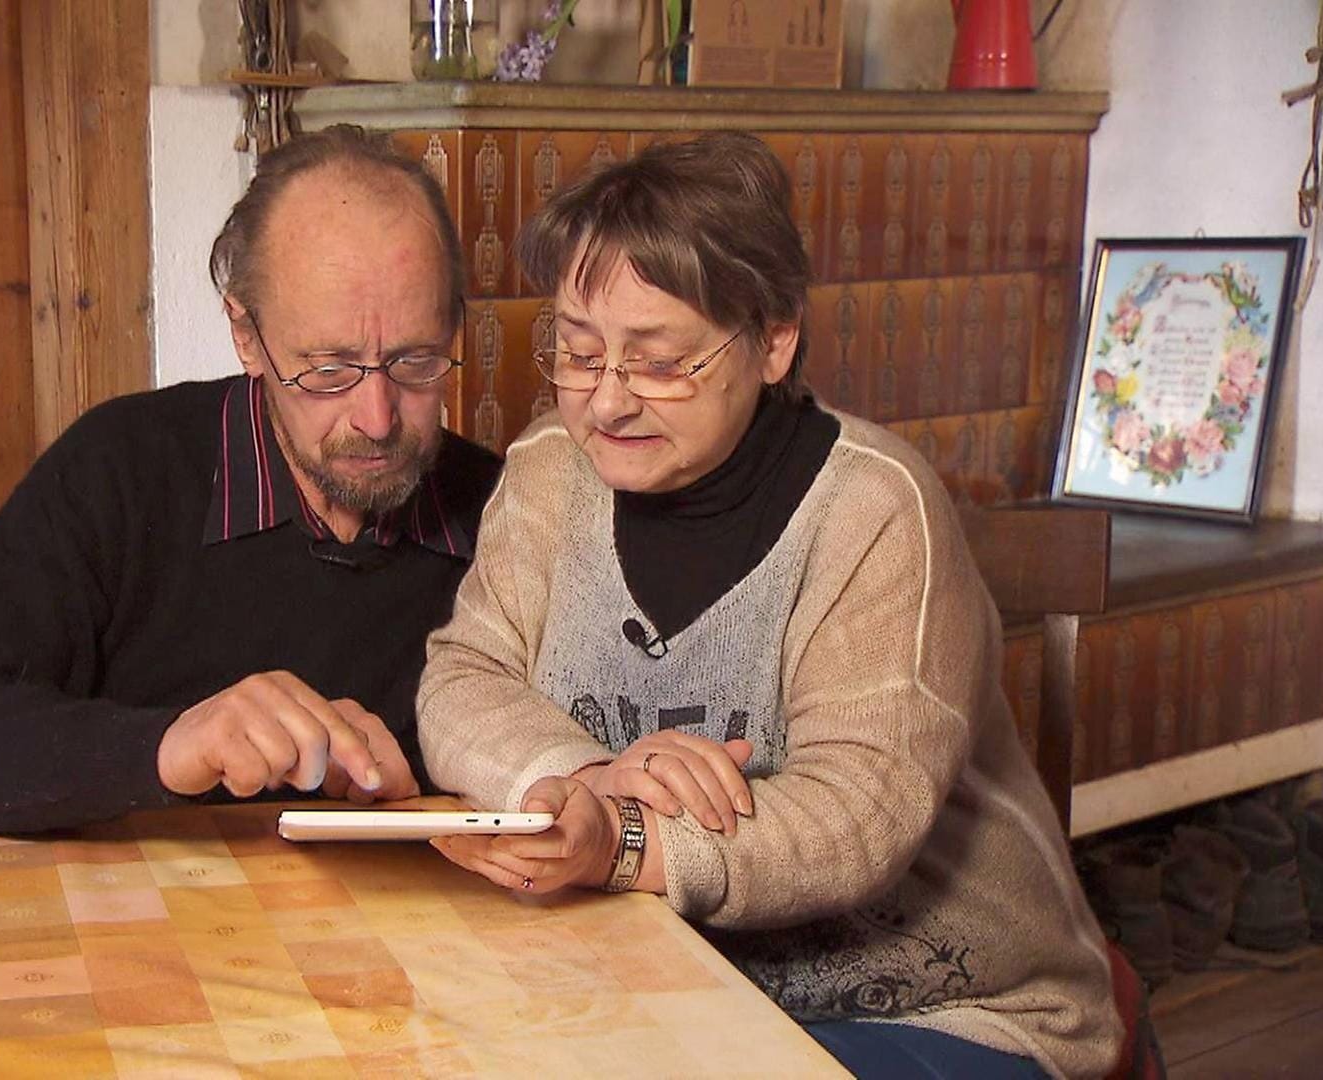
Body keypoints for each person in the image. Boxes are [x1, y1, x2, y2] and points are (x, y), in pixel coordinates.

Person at [416, 133, 1122, 1078]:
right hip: (669, 979)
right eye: (580, 353)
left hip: (943, 1002)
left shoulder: (873, 510)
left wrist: (626, 844)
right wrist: (586, 779)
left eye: (661, 362)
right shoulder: (551, 474)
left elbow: (856, 819)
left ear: (774, 338)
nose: (607, 403)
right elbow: (465, 675)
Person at [0, 126, 501, 834]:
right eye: (327, 371)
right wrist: (168, 747)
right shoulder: (121, 473)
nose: (377, 419)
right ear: (247, 337)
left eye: (415, 363)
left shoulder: (511, 516)